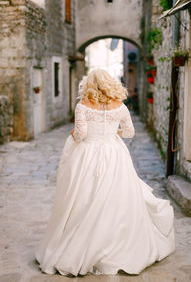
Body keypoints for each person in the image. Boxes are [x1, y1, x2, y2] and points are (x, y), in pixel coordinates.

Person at [35, 69, 175, 277]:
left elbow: (81, 134)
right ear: (110, 84)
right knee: (116, 199)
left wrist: (74, 133)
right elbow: (129, 133)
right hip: (114, 154)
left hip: (87, 155)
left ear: (89, 84)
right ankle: (114, 243)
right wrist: (112, 132)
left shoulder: (83, 105)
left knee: (84, 198)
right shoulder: (120, 106)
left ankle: (82, 243)